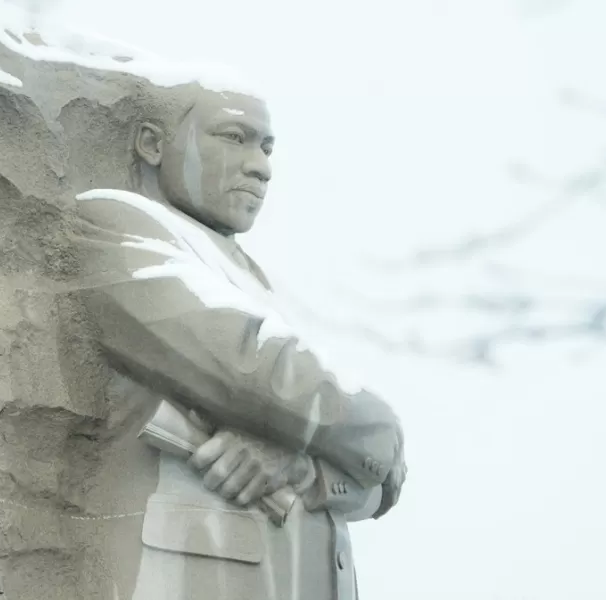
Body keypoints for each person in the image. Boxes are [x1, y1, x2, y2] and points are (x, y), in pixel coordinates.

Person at [69, 82, 407, 600]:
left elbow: (379, 489)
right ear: (153, 145)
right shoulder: (114, 224)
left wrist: (302, 465)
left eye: (266, 148)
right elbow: (253, 371)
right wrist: (379, 429)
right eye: (235, 138)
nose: (261, 167)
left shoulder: (257, 283)